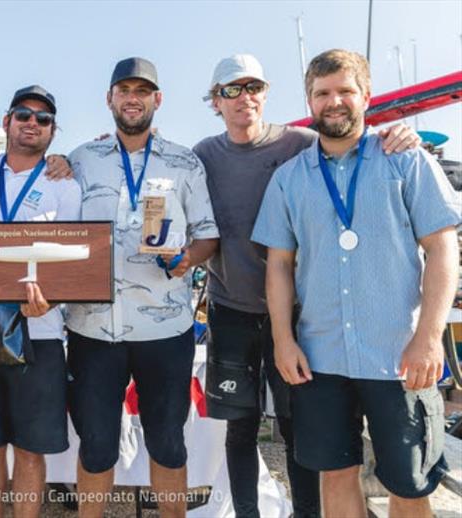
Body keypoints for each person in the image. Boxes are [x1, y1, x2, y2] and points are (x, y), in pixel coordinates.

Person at [194, 54, 420, 518]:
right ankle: (247, 514)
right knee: (241, 428)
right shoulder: (202, 155)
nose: (243, 98)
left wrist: (399, 133)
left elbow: (352, 140)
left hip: (298, 313)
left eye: (252, 86)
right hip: (230, 308)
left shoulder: (300, 142)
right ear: (215, 101)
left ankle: (307, 514)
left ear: (266, 92)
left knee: (301, 428)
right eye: (230, 90)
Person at [252, 49, 460, 518]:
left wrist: (429, 339)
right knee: (335, 474)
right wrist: (284, 341)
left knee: (408, 484)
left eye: (345, 90)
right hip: (320, 357)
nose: (334, 101)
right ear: (310, 101)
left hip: (399, 355)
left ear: (366, 96)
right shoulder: (289, 179)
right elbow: (279, 266)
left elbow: (443, 250)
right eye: (323, 93)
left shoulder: (407, 162)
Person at [65, 57, 219, 517]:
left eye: (142, 91)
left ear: (157, 99)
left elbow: (208, 233)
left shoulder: (184, 161)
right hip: (92, 329)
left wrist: (187, 259)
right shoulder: (79, 160)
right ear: (109, 99)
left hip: (165, 329)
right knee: (96, 448)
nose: (133, 98)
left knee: (169, 445)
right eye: (124, 90)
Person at [0, 85, 81, 518]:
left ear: (53, 131)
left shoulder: (64, 182)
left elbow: (73, 256)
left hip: (39, 330)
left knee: (31, 450)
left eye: (43, 119)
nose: (33, 123)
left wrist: (53, 297)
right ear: (5, 121)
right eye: (23, 114)